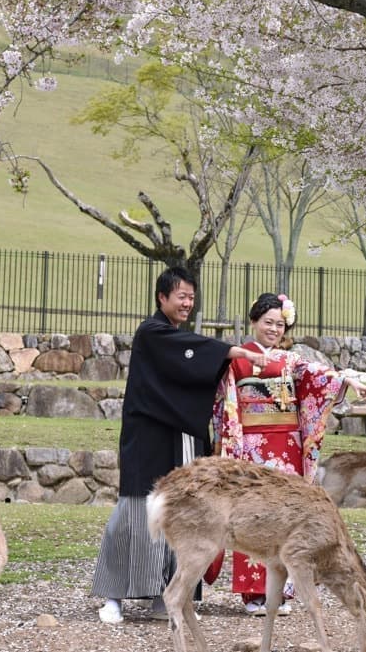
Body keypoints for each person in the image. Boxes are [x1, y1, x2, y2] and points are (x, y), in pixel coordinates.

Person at [91, 267, 267, 625]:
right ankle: (114, 596)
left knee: (180, 511)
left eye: (191, 296)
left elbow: (194, 367)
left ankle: (166, 595)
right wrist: (233, 350)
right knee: (136, 509)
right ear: (162, 298)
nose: (188, 302)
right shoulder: (152, 332)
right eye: (181, 296)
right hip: (147, 437)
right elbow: (192, 351)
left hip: (179, 435)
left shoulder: (175, 337)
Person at [211, 292, 366, 615]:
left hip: (287, 446)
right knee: (253, 515)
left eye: (280, 324)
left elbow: (319, 377)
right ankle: (254, 592)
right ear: (254, 321)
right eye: (268, 322)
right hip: (252, 445)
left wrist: (346, 380)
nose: (274, 329)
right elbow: (226, 404)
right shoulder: (238, 359)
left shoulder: (291, 361)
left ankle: (281, 592)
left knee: (287, 517)